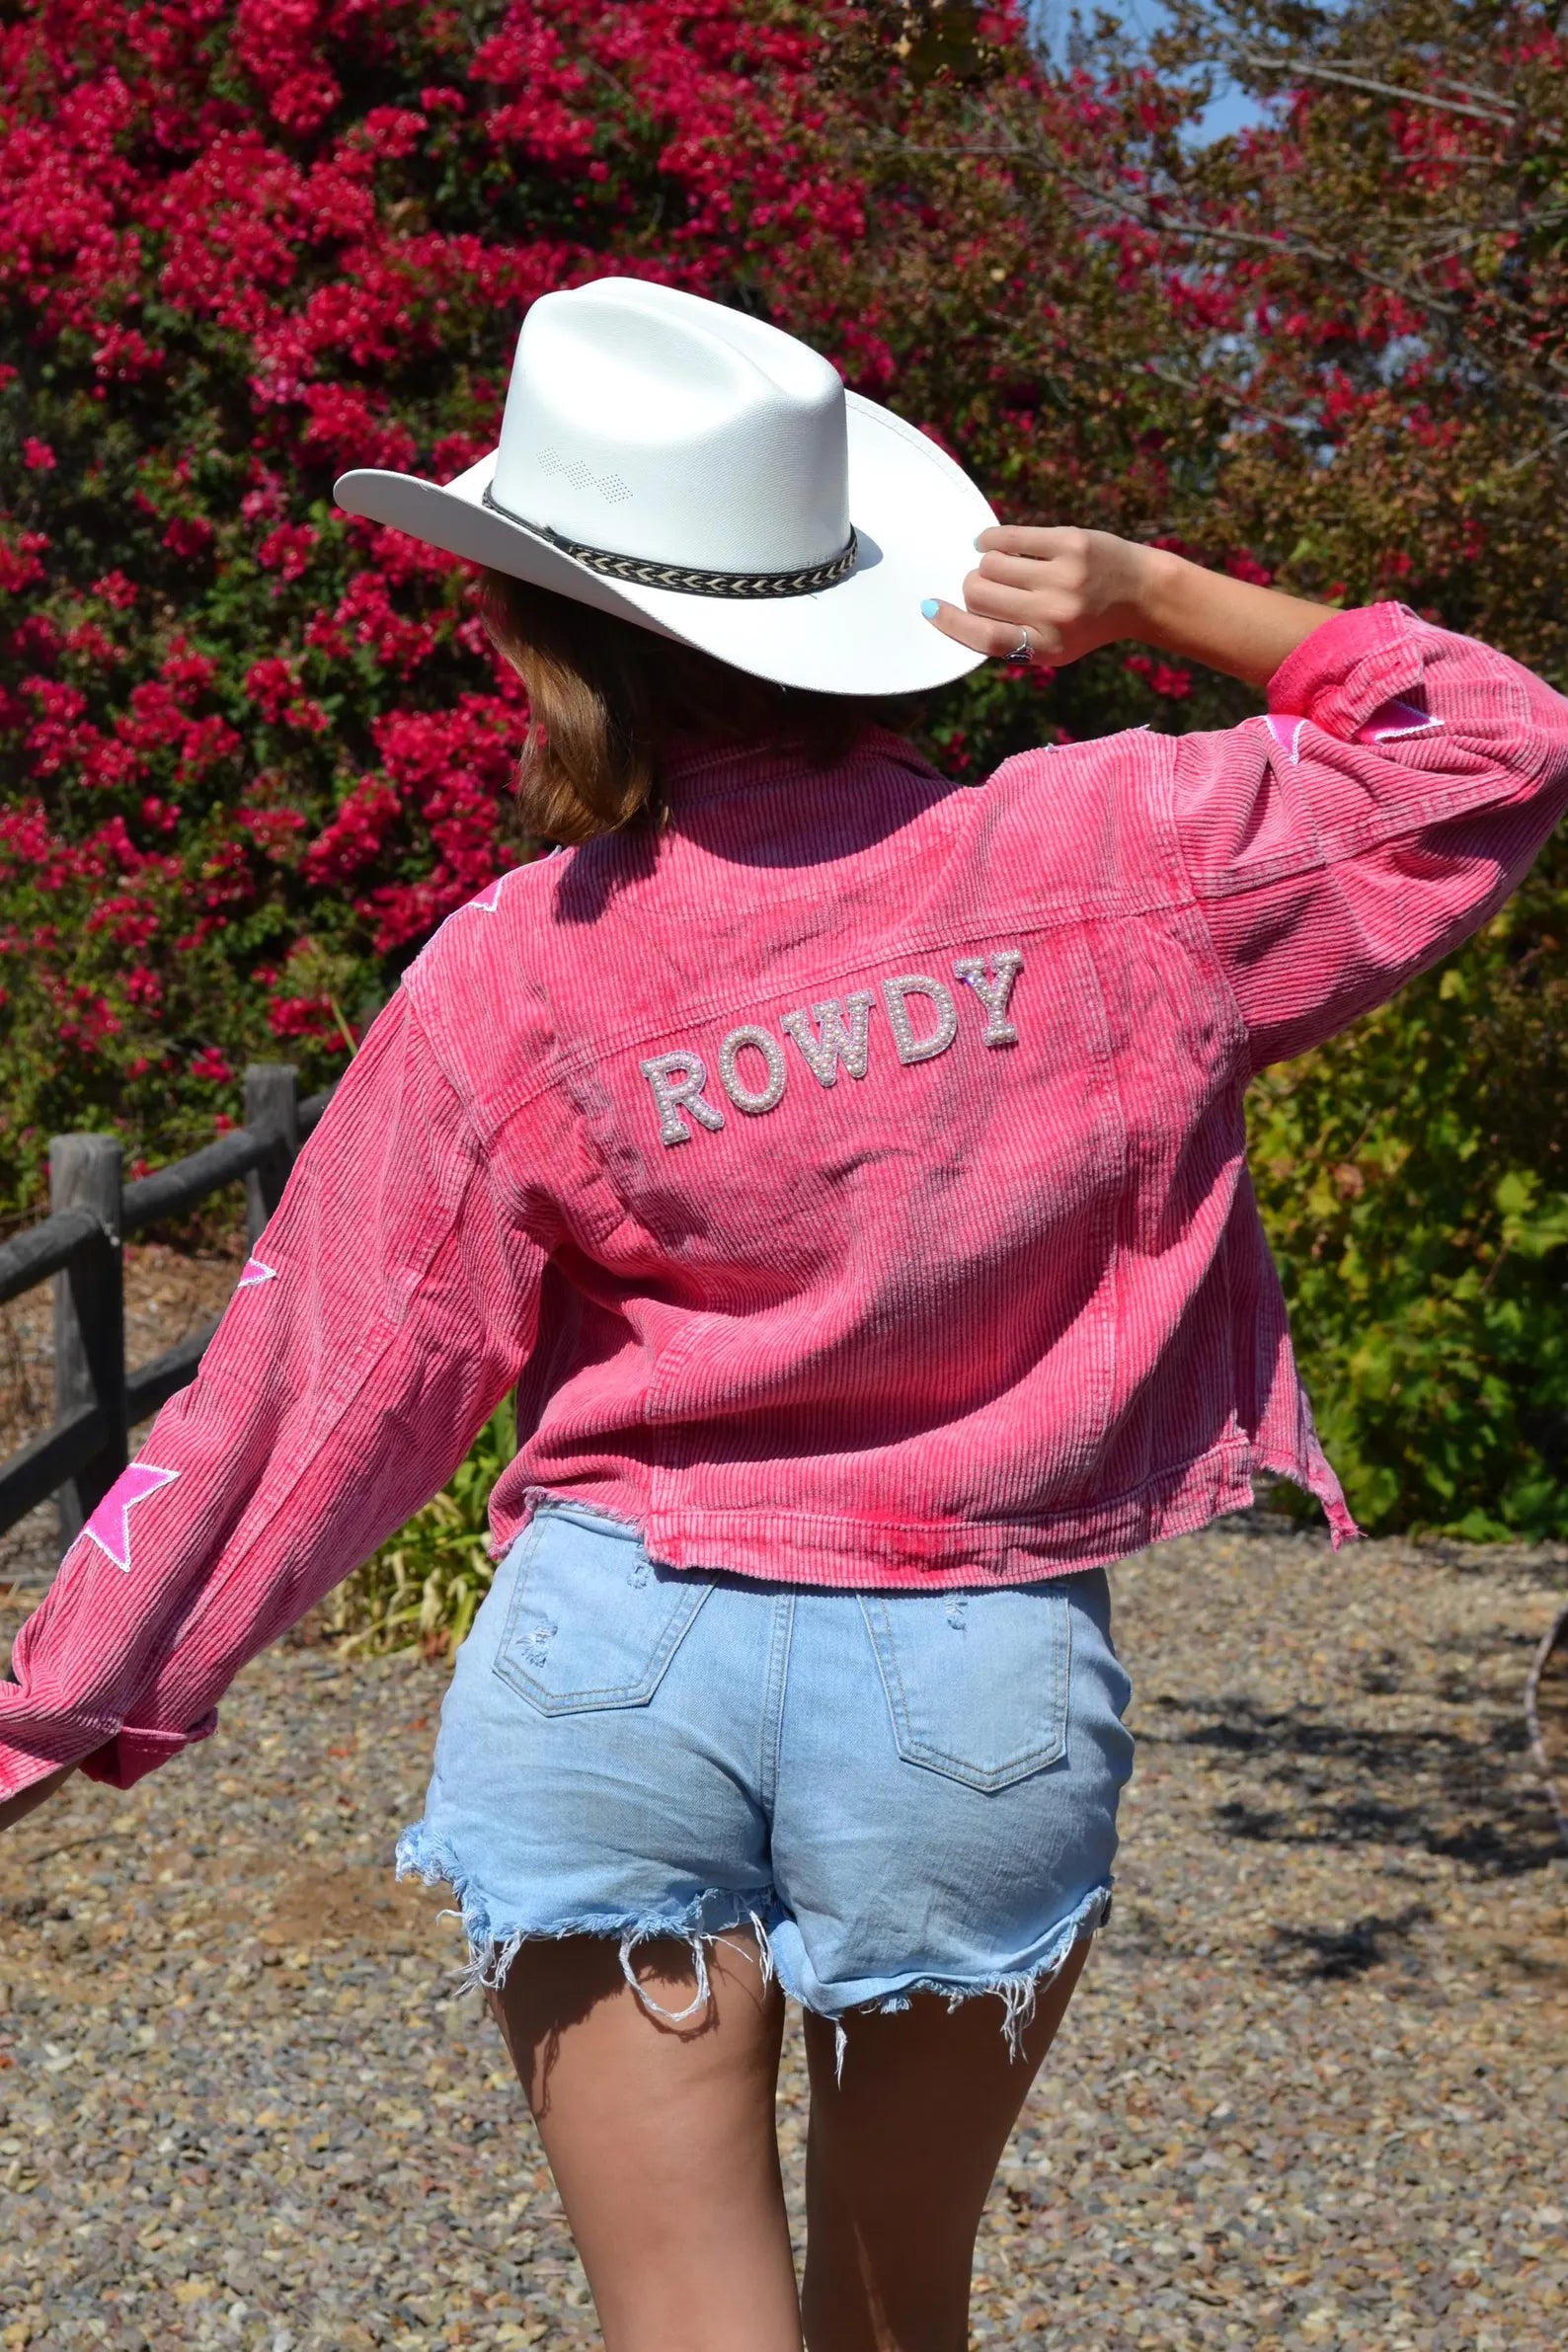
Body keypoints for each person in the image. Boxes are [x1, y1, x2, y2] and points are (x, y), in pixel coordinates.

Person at [3, 279, 1566, 2352]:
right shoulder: (1119, 852)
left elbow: (322, 1381)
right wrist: (1159, 593)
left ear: (533, 634)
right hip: (970, 1673)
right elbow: (1489, 744)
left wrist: (47, 1707)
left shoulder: (512, 973)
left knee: (687, 2327)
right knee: (898, 2306)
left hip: (608, 1658)